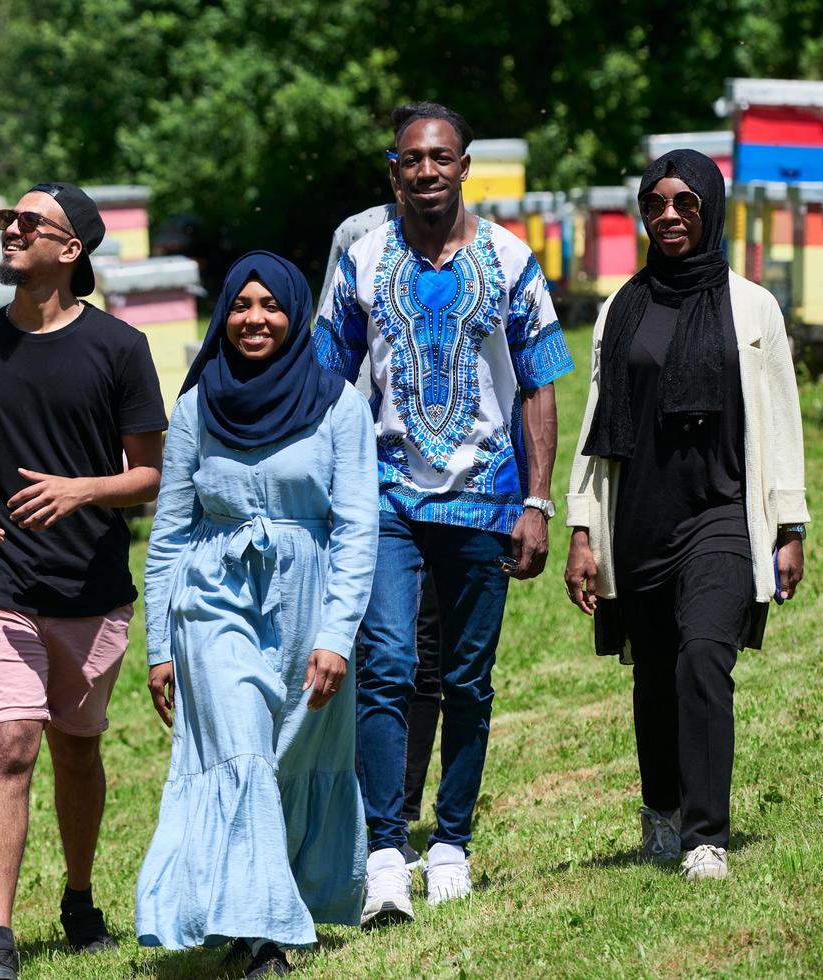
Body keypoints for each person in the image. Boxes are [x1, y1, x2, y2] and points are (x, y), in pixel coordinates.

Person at [314, 101, 574, 923]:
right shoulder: (361, 257)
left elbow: (540, 383)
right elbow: (323, 383)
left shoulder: (509, 258)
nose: (425, 171)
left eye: (440, 158)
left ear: (464, 166)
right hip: (382, 496)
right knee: (384, 668)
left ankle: (451, 841)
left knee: (465, 678)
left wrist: (535, 503)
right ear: (392, 172)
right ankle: (385, 852)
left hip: (485, 497)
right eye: (410, 160)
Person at [0, 181, 167, 980]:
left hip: (90, 588)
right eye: (7, 219)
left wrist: (80, 490)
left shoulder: (119, 349)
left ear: (71, 250)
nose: (11, 229)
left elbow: (151, 476)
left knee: (76, 748)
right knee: (8, 745)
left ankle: (76, 896)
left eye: (29, 221)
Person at [564, 149, 809, 882]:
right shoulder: (622, 305)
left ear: (709, 209)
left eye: (683, 203)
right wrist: (582, 528)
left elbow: (783, 418)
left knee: (704, 654)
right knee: (655, 678)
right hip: (639, 516)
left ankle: (706, 834)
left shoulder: (752, 306)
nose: (667, 215)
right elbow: (596, 424)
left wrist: (789, 524)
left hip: (723, 511)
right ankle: (661, 811)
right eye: (654, 204)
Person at [135, 251, 376, 978]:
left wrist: (336, 634)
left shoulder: (338, 403)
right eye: (240, 305)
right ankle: (261, 938)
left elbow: (358, 527)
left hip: (309, 599)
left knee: (287, 758)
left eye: (270, 305)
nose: (254, 319)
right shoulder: (194, 407)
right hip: (212, 602)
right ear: (221, 316)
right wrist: (158, 646)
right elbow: (169, 533)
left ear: (295, 313)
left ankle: (262, 903)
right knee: (240, 753)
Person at [321, 201, 447, 872]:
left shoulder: (474, 237)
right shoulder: (356, 233)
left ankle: (400, 804)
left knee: (427, 651)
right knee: (380, 648)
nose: (424, 174)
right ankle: (372, 813)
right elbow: (330, 352)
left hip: (455, 476)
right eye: (409, 159)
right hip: (372, 468)